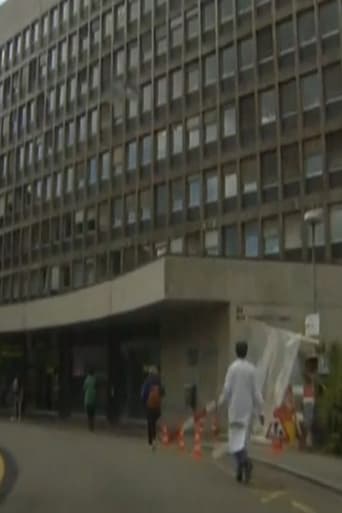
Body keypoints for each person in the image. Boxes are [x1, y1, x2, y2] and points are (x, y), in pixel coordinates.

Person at [221, 341, 264, 483]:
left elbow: (227, 389)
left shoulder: (232, 369)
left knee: (234, 442)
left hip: (234, 410)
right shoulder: (252, 369)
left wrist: (221, 401)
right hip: (248, 411)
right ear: (246, 351)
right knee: (243, 442)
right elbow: (256, 392)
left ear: (236, 351)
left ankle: (244, 463)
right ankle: (241, 469)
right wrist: (261, 410)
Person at [141, 366, 163, 450]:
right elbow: (163, 392)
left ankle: (151, 441)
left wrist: (144, 402)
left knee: (150, 423)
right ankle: (154, 439)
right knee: (154, 422)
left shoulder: (147, 381)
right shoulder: (159, 380)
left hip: (149, 405)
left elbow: (143, 394)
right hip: (157, 406)